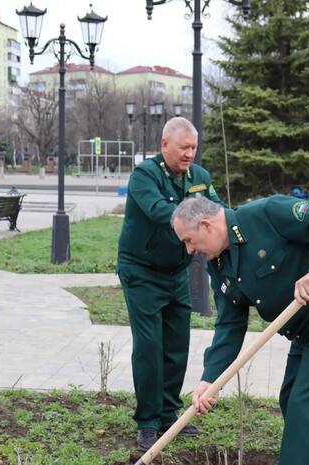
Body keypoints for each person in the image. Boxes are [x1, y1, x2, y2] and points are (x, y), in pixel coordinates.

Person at [171, 195, 309, 465]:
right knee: (291, 401)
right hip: (305, 329)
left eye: (188, 240)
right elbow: (229, 325)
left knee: (307, 407)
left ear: (206, 225)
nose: (189, 250)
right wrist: (211, 379)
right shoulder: (219, 265)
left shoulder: (266, 214)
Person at [117, 116, 222, 451]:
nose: (190, 153)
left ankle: (168, 414)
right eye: (184, 147)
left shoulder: (199, 177)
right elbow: (161, 211)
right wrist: (195, 218)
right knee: (149, 347)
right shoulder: (145, 175)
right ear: (165, 145)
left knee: (177, 344)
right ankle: (148, 422)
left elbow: (217, 211)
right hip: (142, 271)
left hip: (177, 272)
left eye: (194, 147)